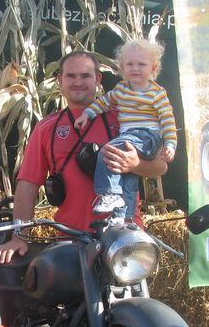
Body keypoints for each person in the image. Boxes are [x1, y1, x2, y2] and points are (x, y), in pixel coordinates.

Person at [0, 50, 168, 264]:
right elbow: (28, 185)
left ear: (98, 79)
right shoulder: (47, 128)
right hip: (71, 240)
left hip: (124, 237)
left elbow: (160, 167)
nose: (78, 82)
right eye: (71, 76)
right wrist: (18, 236)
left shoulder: (124, 119)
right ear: (60, 80)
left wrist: (136, 164)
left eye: (85, 76)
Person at [74, 38, 177, 222]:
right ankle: (122, 217)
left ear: (153, 69)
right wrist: (87, 114)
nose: (135, 68)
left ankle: (109, 193)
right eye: (129, 64)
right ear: (122, 68)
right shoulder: (121, 89)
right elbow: (104, 102)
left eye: (141, 64)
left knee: (108, 152)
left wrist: (170, 143)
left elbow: (168, 120)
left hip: (148, 137)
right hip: (129, 137)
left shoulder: (157, 93)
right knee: (128, 177)